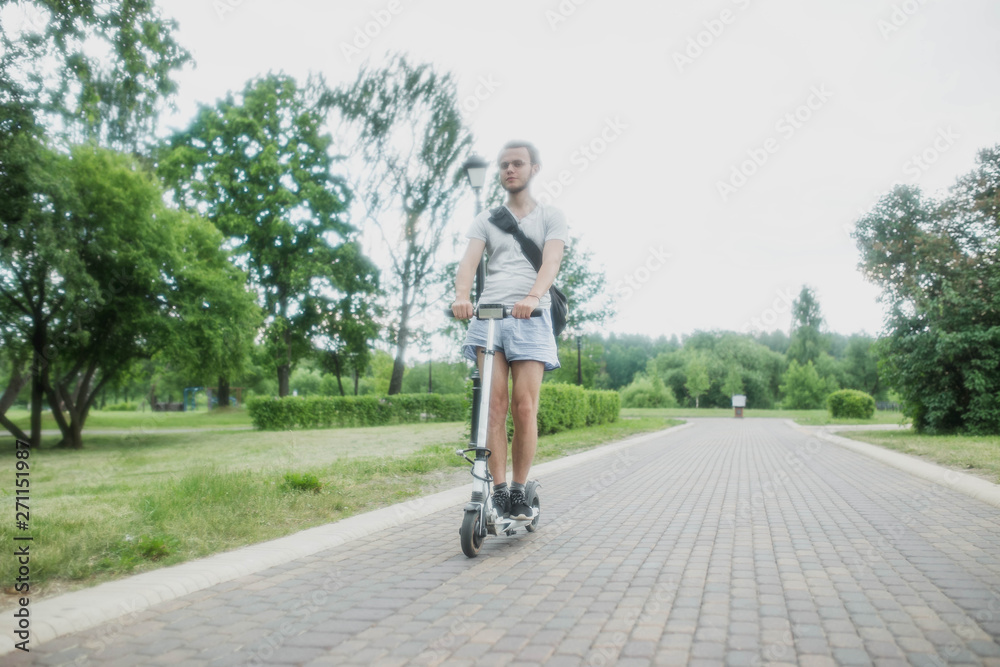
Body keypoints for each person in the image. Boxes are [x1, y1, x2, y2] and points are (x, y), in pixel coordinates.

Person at [452, 140, 568, 521]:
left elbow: (551, 261)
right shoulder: (486, 219)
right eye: (504, 165)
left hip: (530, 317)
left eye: (517, 163)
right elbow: (468, 263)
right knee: (493, 406)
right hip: (488, 318)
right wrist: (462, 296)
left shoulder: (551, 216)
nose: (509, 170)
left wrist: (533, 297)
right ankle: (500, 492)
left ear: (534, 168)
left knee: (524, 406)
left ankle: (519, 489)